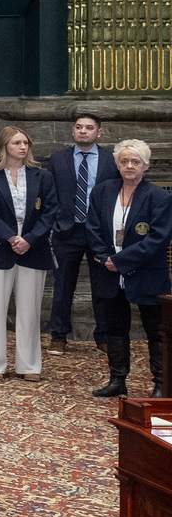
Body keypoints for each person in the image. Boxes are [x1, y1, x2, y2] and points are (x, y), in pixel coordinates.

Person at [0, 126, 57, 382]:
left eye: (25, 143)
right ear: (3, 146)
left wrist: (30, 239)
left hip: (33, 248)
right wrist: (10, 237)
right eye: (17, 143)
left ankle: (29, 365)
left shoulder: (42, 176)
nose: (23, 147)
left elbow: (50, 211)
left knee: (30, 312)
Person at [88, 140, 172, 398]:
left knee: (155, 330)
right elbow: (93, 229)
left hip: (148, 273)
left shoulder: (160, 196)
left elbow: (158, 239)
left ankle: (161, 384)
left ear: (146, 165)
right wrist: (105, 258)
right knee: (115, 327)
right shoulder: (102, 192)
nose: (129, 166)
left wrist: (122, 260)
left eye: (135, 161)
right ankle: (117, 380)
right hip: (110, 272)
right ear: (117, 164)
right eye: (124, 161)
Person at [47, 112, 119, 354]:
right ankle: (58, 336)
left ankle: (104, 336)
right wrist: (53, 224)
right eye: (78, 127)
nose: (83, 131)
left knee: (103, 286)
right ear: (73, 131)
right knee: (62, 286)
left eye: (89, 127)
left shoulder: (112, 160)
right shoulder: (58, 159)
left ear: (99, 132)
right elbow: (49, 194)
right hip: (67, 231)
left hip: (101, 232)